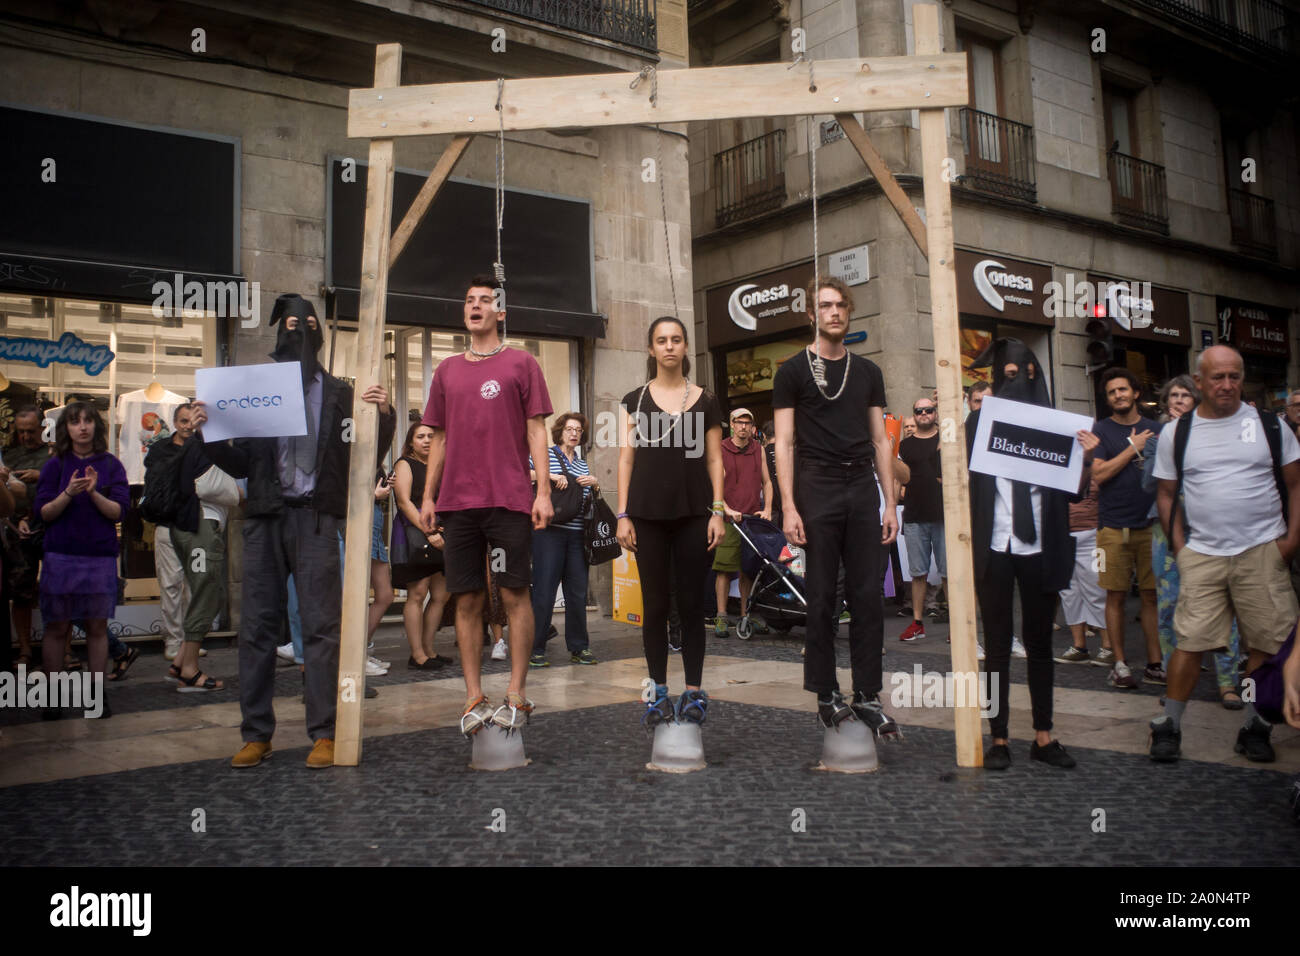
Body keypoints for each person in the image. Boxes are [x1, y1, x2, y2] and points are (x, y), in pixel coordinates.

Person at [197, 292, 396, 769]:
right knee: (258, 629)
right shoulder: (258, 388)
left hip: (316, 518)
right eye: (290, 323)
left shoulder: (339, 394)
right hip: (266, 518)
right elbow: (240, 460)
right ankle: (256, 733)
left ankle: (324, 732)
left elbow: (361, 453)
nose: (300, 330)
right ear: (277, 330)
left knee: (322, 628)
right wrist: (212, 433)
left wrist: (383, 416)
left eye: (308, 322)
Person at [418, 275, 554, 736]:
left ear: (501, 312)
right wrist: (428, 494)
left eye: (485, 301)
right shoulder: (447, 371)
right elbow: (437, 435)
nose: (475, 306)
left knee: (515, 594)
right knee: (468, 597)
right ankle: (473, 695)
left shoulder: (522, 364)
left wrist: (543, 491)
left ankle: (516, 692)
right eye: (469, 300)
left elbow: (537, 430)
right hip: (458, 503)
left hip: (510, 498)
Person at [1150, 346, 1300, 762]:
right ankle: (1171, 725)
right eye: (1218, 377)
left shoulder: (1270, 427)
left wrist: (1288, 544)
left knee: (1265, 646)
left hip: (1263, 549)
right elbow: (1165, 493)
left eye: (1235, 376)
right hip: (1202, 553)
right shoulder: (1177, 433)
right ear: (1199, 382)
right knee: (1190, 642)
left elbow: (1296, 485)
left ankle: (1256, 724)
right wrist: (1180, 547)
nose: (1227, 385)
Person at [773, 275, 899, 735]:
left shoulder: (867, 372)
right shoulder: (790, 372)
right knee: (822, 595)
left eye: (841, 305)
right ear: (811, 314)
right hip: (817, 484)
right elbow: (783, 443)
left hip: (861, 485)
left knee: (868, 594)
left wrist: (889, 503)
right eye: (825, 305)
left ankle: (867, 694)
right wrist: (788, 506)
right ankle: (826, 692)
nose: (834, 312)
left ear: (849, 312)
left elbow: (880, 439)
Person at [966, 339, 1081, 769]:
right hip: (995, 546)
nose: (1015, 384)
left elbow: (1075, 491)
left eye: (1025, 377)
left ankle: (1043, 735)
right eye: (1007, 377)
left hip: (1039, 546)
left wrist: (1081, 458)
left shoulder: (1054, 425)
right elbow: (959, 484)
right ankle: (998, 738)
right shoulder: (977, 426)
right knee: (995, 645)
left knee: (1039, 644)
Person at [617, 315, 725, 725]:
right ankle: (658, 691)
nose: (669, 346)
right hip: (646, 514)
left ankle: (695, 690)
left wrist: (718, 510)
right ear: (651, 349)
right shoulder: (634, 400)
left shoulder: (706, 399)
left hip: (696, 512)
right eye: (661, 340)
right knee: (656, 604)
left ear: (685, 348)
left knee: (692, 603)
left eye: (676, 340)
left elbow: (716, 459)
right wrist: (623, 514)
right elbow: (626, 459)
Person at [1141, 375, 1243, 708]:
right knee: (1169, 608)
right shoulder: (1158, 439)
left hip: (1209, 530)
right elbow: (1147, 486)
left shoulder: (1213, 437)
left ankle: (1228, 683)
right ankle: (1173, 684)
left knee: (1221, 604)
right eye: (1173, 395)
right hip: (1167, 531)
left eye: (1185, 395)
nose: (1178, 400)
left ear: (1196, 402)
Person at [33, 402, 130, 717]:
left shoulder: (112, 465)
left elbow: (118, 511)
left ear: (96, 427)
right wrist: (70, 493)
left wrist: (93, 493)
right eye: (75, 422)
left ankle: (97, 696)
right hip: (60, 555)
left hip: (99, 557)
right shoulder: (55, 465)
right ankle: (50, 698)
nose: (83, 427)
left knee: (97, 627)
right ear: (67, 428)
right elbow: (44, 513)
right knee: (56, 627)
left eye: (89, 421)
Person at [1078, 367, 1162, 691]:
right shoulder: (1100, 430)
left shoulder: (1157, 429)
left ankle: (1155, 664)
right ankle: (1120, 663)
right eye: (1112, 392)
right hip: (1110, 529)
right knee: (1112, 596)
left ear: (1136, 393)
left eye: (1123, 390)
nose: (1118, 396)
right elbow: (1099, 474)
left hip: (1151, 528)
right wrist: (1133, 447)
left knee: (1151, 597)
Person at [154, 403, 241, 692]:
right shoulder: (203, 444)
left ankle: (180, 661)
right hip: (202, 525)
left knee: (202, 591)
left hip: (191, 525)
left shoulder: (190, 445)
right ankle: (189, 669)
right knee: (205, 593)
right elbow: (214, 488)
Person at [529, 412, 598, 667]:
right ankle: (535, 649)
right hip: (549, 532)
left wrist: (596, 484)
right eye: (569, 429)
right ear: (560, 431)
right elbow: (522, 474)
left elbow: (587, 497)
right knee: (544, 592)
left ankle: (580, 647)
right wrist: (547, 477)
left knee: (577, 593)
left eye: (578, 430)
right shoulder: (545, 454)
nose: (574, 433)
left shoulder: (582, 464)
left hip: (578, 534)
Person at [391, 422, 451, 670]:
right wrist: (429, 532)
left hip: (443, 532)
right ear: (411, 441)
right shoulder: (405, 463)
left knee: (440, 595)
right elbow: (404, 502)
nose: (426, 440)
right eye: (420, 436)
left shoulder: (441, 464)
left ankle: (429, 649)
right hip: (414, 532)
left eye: (431, 436)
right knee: (417, 594)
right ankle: (417, 655)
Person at [710, 407, 772, 636]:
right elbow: (713, 483)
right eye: (739, 422)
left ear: (752, 426)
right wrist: (726, 508)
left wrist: (766, 509)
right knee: (724, 570)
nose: (744, 426)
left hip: (751, 520)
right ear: (732, 424)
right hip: (728, 520)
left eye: (747, 422)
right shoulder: (721, 448)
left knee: (748, 571)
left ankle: (746, 616)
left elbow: (767, 482)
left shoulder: (759, 449)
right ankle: (722, 617)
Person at [897, 394, 947, 641]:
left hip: (945, 515)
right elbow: (900, 478)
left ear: (936, 412)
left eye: (929, 410)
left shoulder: (946, 438)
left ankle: (957, 626)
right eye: (919, 411)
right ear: (914, 415)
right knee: (918, 572)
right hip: (915, 514)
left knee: (950, 572)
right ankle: (917, 622)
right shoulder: (905, 445)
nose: (924, 414)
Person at [5, 406, 51, 668]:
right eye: (21, 432)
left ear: (42, 429)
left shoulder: (54, 455)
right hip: (19, 531)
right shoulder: (10, 456)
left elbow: (67, 484)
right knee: (21, 592)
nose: (25, 436)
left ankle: (61, 649)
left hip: (50, 528)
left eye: (30, 431)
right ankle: (24, 649)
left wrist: (41, 476)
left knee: (56, 592)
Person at [1053, 476, 1112, 666]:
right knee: (1069, 592)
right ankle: (1079, 646)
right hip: (1061, 534)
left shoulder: (1097, 458)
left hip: (1096, 535)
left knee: (1099, 588)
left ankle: (1109, 646)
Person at [760, 418, 783, 532]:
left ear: (764, 435)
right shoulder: (789, 453)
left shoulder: (761, 454)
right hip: (791, 510)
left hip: (770, 510)